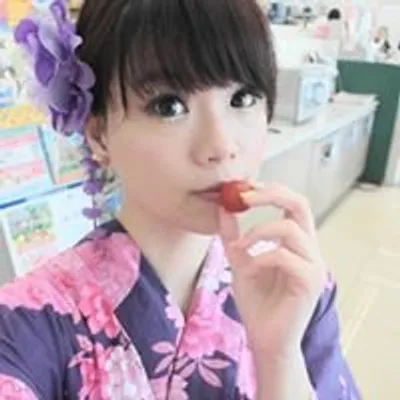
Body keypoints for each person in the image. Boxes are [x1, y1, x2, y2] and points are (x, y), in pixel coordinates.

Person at [0, 0, 360, 399]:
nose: (221, 146)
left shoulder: (295, 288)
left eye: (242, 98)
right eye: (169, 106)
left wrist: (279, 358)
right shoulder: (25, 324)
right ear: (99, 135)